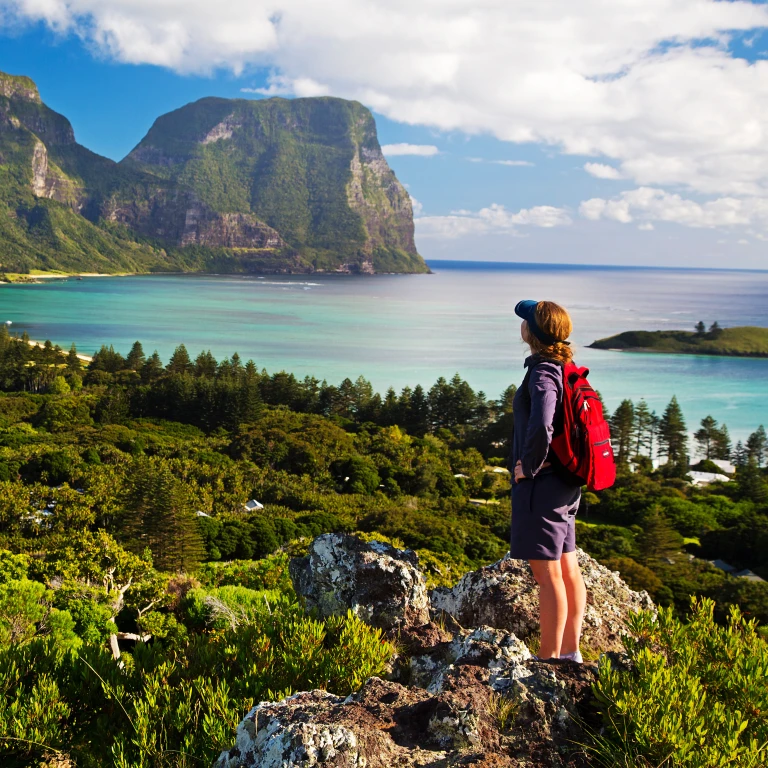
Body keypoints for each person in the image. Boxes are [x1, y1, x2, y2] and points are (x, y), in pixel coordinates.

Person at [509, 299, 586, 662]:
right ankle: (570, 654)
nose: (522, 324)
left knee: (547, 574)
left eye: (526, 320)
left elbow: (542, 423)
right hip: (565, 484)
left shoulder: (542, 372)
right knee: (567, 568)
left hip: (544, 488)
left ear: (532, 332)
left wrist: (530, 466)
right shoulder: (563, 367)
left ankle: (548, 660)